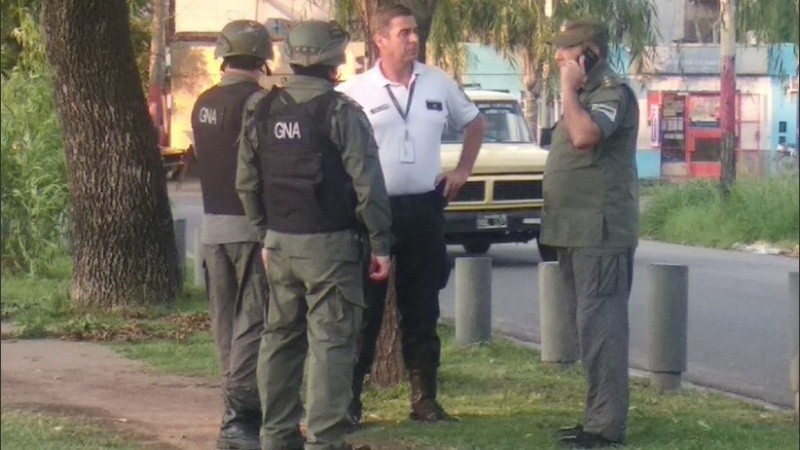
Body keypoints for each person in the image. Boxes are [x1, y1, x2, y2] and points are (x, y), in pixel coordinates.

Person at [235, 20, 392, 450]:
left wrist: (265, 233)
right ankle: (325, 441)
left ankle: (276, 437)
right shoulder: (342, 112)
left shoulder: (261, 109)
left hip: (280, 245)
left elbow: (246, 184)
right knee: (331, 345)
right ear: (333, 60)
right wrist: (381, 244)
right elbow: (368, 187)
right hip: (332, 248)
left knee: (280, 340)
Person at [337, 2, 485, 425]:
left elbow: (474, 123)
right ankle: (349, 401)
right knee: (366, 308)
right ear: (380, 39)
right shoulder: (354, 92)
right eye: (403, 32)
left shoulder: (438, 82)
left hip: (424, 206)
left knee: (422, 308)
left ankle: (424, 400)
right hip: (373, 211)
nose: (413, 39)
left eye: (415, 31)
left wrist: (462, 170)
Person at [539, 19, 640, 449]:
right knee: (588, 330)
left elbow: (585, 136)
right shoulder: (583, 96)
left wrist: (566, 87)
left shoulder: (610, 93)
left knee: (603, 330)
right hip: (574, 231)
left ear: (589, 56)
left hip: (600, 233)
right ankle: (595, 416)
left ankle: (605, 427)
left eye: (565, 54)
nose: (558, 60)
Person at [189, 19, 273, 450]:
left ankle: (233, 409)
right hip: (250, 228)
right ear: (261, 60)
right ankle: (239, 418)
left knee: (224, 324)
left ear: (224, 56)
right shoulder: (261, 103)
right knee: (252, 322)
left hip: (211, 228)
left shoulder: (202, 102)